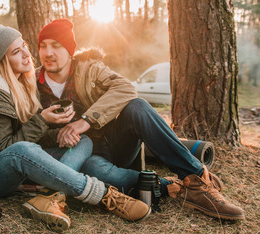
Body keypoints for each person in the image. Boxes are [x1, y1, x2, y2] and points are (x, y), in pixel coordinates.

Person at [0, 22, 151, 233]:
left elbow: (29, 139)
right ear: (2, 60)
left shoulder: (23, 83)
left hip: (18, 163)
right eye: (16, 52)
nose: (27, 54)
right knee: (23, 151)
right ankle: (103, 195)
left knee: (81, 140)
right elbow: (5, 151)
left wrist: (60, 134)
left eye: (24, 46)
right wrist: (42, 121)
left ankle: (49, 197)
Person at [36, 18, 245, 220]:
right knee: (92, 170)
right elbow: (27, 131)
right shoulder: (31, 83)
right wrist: (58, 134)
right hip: (82, 157)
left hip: (115, 142)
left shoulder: (88, 69)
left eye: (56, 45)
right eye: (43, 46)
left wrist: (86, 121)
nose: (48, 53)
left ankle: (197, 177)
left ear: (69, 50)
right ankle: (173, 187)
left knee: (138, 107)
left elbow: (126, 88)